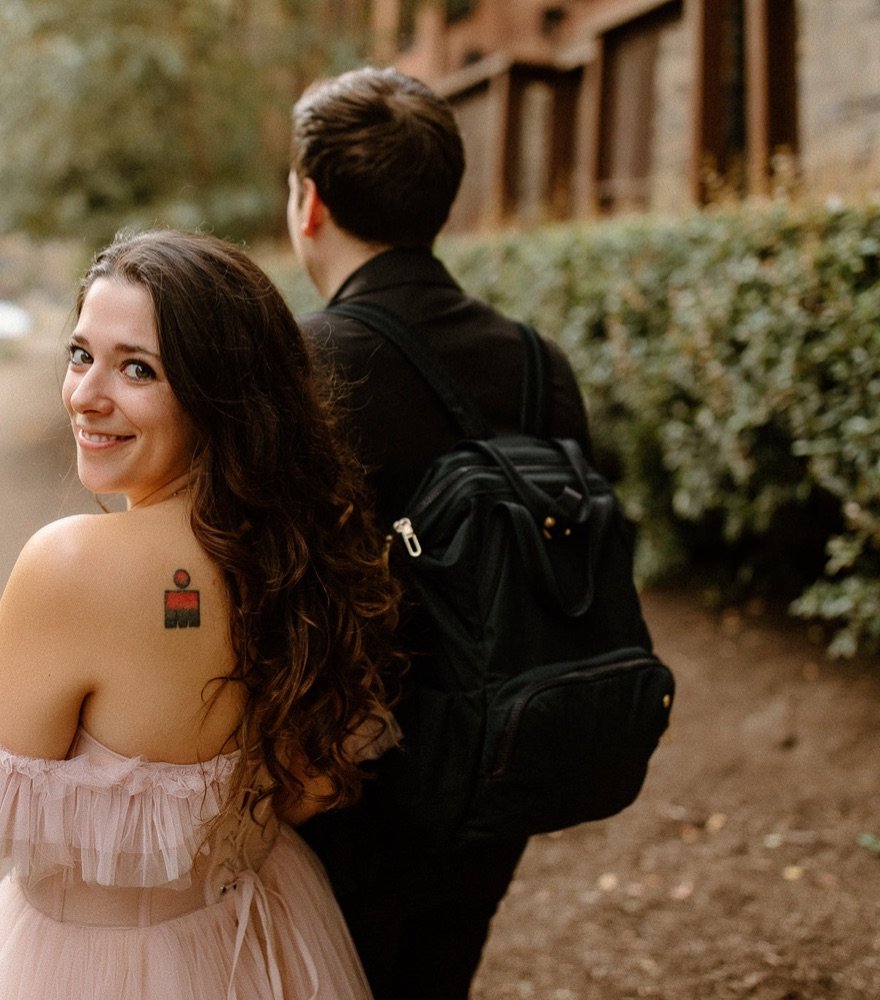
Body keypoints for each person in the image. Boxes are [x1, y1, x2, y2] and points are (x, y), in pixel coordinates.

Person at [0, 229, 402, 999]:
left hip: (85, 963)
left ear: (220, 394)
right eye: (80, 353)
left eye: (138, 369)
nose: (88, 395)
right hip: (262, 933)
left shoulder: (71, 566)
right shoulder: (311, 544)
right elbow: (313, 787)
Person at [288, 66, 595, 1000]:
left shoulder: (304, 365)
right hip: (504, 758)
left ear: (310, 203)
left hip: (349, 784)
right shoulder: (539, 362)